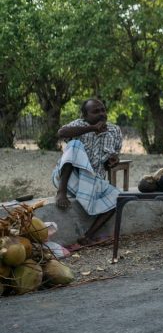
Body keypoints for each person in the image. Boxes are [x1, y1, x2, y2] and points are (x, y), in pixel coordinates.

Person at [52, 98, 122, 248]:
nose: (102, 114)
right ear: (84, 115)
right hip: (71, 179)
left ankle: (87, 237)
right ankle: (61, 192)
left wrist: (112, 161)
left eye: (103, 110)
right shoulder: (79, 125)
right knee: (74, 144)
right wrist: (92, 128)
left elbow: (111, 158)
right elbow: (61, 132)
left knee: (119, 198)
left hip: (93, 181)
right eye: (96, 111)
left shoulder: (114, 130)